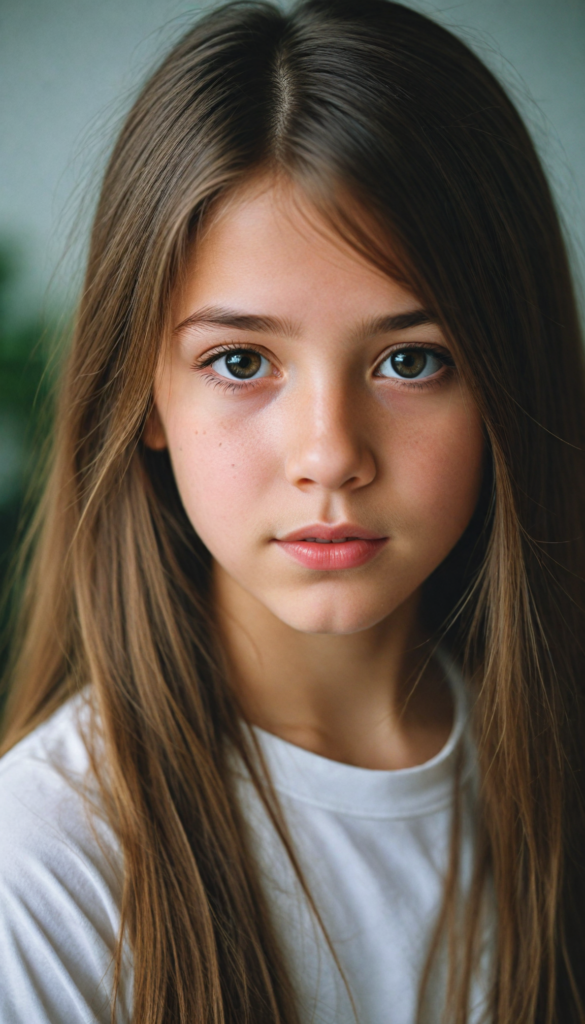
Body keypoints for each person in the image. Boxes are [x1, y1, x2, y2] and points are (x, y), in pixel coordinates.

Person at [1, 0, 585, 1021]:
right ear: (144, 398)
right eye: (241, 362)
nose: (330, 455)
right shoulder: (46, 864)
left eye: (412, 360)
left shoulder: (553, 769)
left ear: (508, 378)